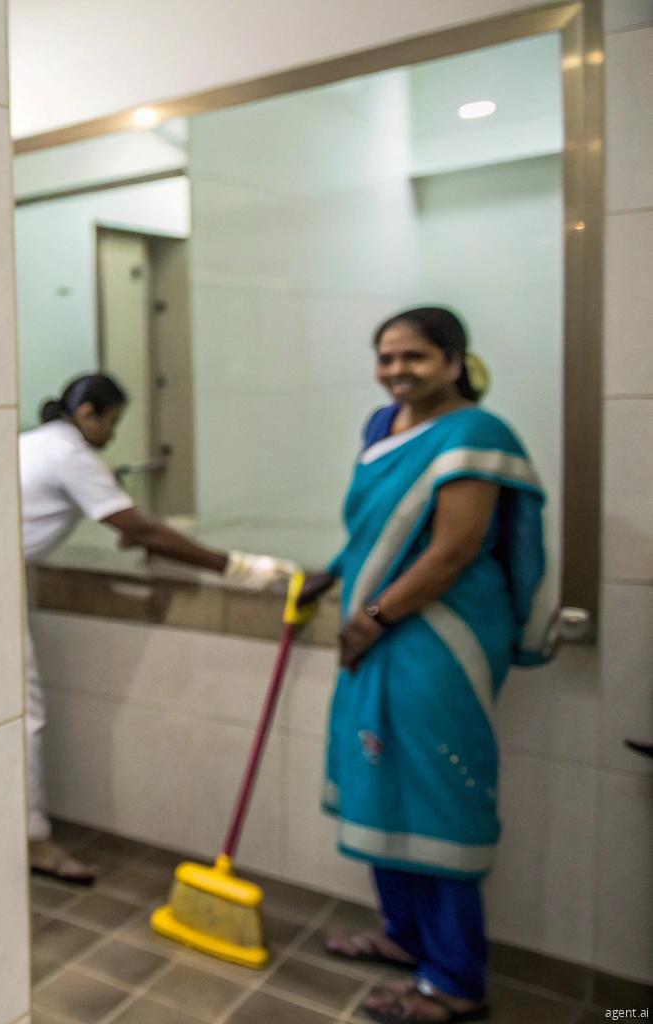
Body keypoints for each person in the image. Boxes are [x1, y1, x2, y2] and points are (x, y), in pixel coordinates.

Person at [300, 308, 551, 1024]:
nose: (397, 371)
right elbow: (376, 532)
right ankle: (405, 937)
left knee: (436, 796)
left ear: (452, 360)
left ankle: (455, 980)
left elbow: (453, 551)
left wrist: (373, 618)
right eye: (386, 357)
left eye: (413, 357)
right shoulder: (383, 430)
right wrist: (331, 575)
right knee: (383, 782)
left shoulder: (477, 435)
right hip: (379, 633)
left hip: (437, 640)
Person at [20, 373, 295, 883]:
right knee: (24, 715)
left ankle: (14, 831)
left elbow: (121, 519)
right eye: (113, 422)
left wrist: (138, 530)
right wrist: (237, 567)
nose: (113, 435)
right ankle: (33, 842)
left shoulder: (33, 443)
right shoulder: (71, 454)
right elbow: (138, 527)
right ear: (89, 415)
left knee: (9, 714)